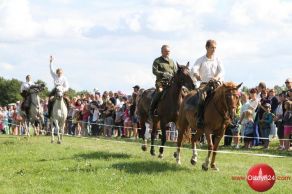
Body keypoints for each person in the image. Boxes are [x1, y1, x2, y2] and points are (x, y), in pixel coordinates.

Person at [191, 39, 224, 128]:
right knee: (202, 97)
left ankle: (227, 119)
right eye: (212, 48)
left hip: (216, 84)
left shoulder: (217, 59)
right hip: (204, 84)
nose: (214, 50)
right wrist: (196, 75)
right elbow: (194, 68)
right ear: (206, 47)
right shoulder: (201, 59)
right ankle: (200, 118)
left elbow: (222, 71)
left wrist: (217, 77)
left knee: (226, 97)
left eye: (215, 48)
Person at [149, 45, 177, 117]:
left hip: (171, 83)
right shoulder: (157, 61)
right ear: (162, 52)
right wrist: (163, 74)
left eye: (168, 51)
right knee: (160, 91)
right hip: (161, 82)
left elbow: (175, 72)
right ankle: (152, 110)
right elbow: (154, 71)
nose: (168, 53)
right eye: (166, 51)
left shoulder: (172, 61)